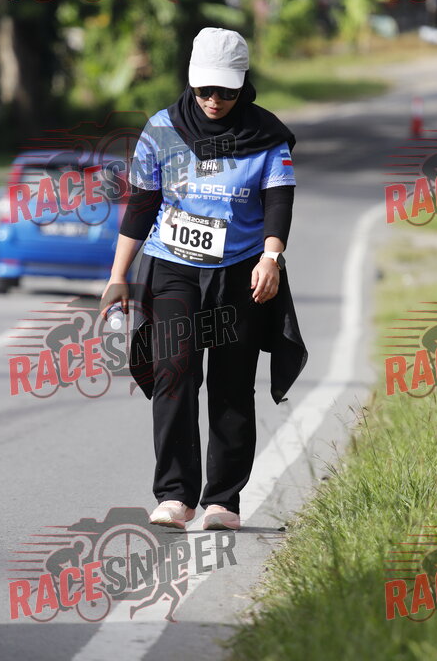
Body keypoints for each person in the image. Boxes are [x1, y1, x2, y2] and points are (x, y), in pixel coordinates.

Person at [101, 27, 307, 531]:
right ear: (191, 82)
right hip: (173, 268)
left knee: (232, 383)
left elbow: (278, 199)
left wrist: (271, 257)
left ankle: (223, 501)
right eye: (204, 90)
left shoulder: (267, 136)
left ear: (243, 86)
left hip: (241, 271)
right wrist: (118, 276)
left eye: (226, 92)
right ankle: (175, 494)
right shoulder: (161, 130)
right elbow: (141, 206)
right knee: (174, 372)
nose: (214, 100)